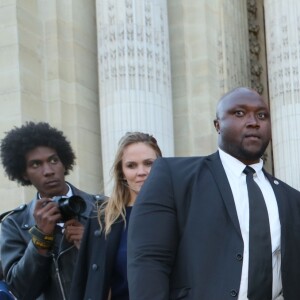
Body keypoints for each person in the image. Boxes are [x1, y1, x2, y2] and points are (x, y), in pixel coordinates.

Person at [127, 87, 300, 300]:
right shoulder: (173, 177)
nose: (253, 121)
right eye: (239, 113)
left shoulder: (291, 199)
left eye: (262, 115)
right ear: (217, 125)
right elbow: (149, 261)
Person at [0, 122, 102, 300]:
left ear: (64, 163)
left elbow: (127, 273)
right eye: (36, 164)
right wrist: (40, 238)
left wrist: (93, 245)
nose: (48, 171)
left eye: (53, 160)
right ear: (24, 173)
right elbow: (21, 292)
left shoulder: (104, 209)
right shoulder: (13, 224)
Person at [69, 132, 162, 300]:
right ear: (122, 172)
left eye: (149, 163)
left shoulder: (178, 214)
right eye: (131, 165)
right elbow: (84, 282)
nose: (141, 172)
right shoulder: (101, 218)